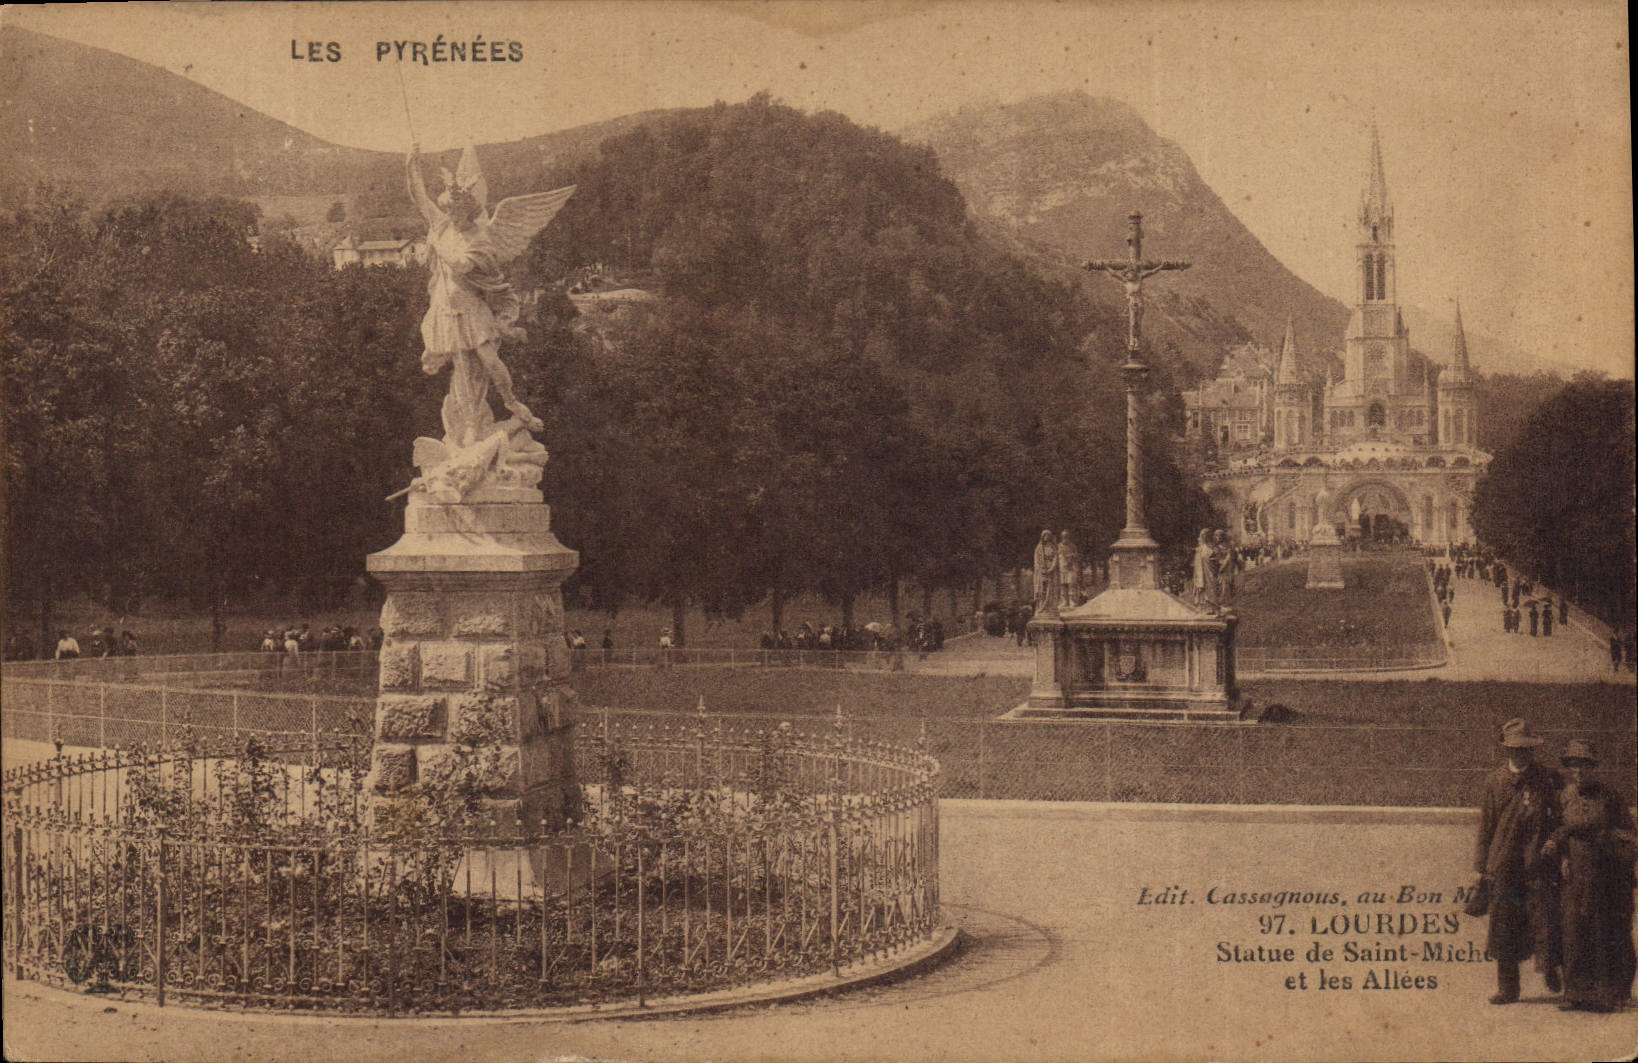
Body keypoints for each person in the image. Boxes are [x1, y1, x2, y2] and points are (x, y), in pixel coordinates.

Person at [1471, 718, 1562, 1005]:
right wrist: (1480, 869)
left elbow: (1561, 818)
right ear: (1506, 750)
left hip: (1539, 862)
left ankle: (1551, 968)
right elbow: (1486, 827)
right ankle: (1508, 988)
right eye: (1514, 749)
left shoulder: (1548, 779)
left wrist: (1556, 847)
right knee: (1504, 924)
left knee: (1546, 919)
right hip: (1505, 865)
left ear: (1532, 750)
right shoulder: (1495, 781)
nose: (1520, 754)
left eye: (1525, 749)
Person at [1540, 740, 1636, 1011]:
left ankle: (1607, 995)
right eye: (1573, 765)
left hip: (1605, 873)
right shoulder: (1566, 795)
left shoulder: (1609, 796)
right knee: (1573, 929)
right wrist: (1560, 852)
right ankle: (1575, 993)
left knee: (1602, 929)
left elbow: (1630, 834)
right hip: (1575, 873)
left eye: (1584, 766)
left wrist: (1607, 839)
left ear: (1594, 768)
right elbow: (1561, 827)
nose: (1578, 771)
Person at [1032, 531, 1059, 615]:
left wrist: (1051, 568)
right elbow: (1036, 560)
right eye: (1045, 536)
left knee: (1050, 589)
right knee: (1041, 589)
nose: (1047, 537)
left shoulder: (1052, 547)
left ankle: (1050, 608)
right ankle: (1041, 607)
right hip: (1041, 570)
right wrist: (1040, 568)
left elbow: (1055, 558)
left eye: (1048, 536)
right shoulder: (1039, 548)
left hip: (1050, 570)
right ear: (1042, 536)